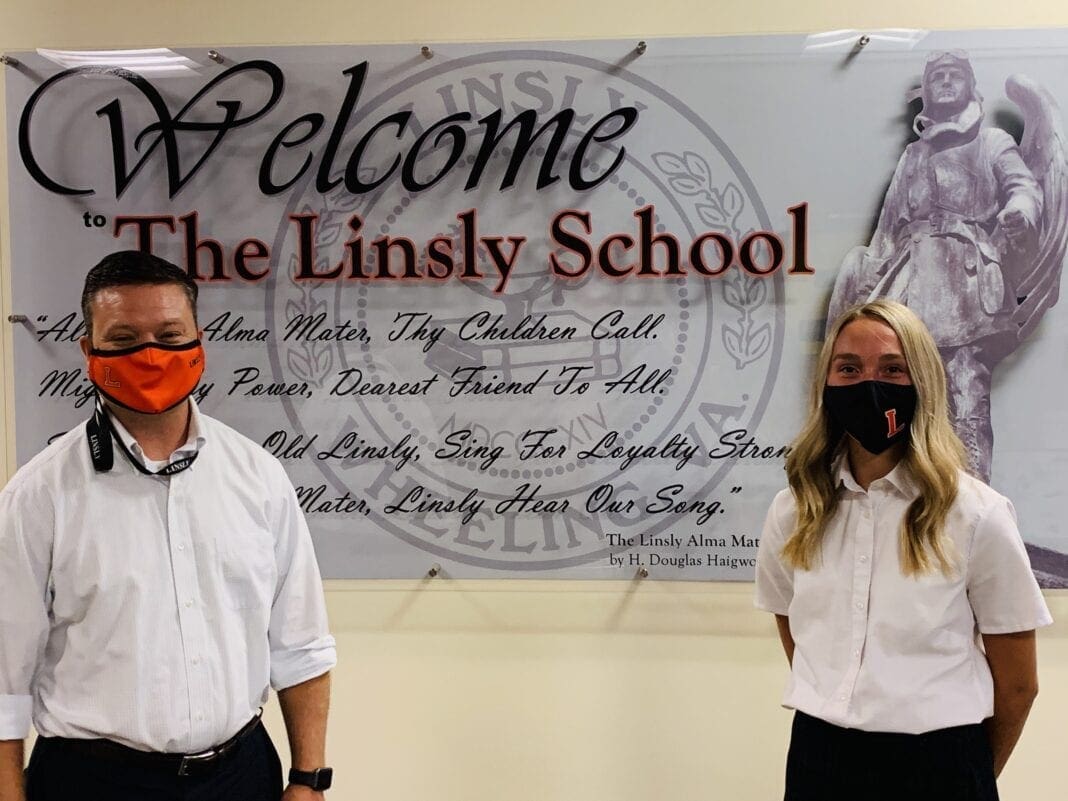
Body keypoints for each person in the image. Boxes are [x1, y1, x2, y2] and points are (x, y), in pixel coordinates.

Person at [0, 250, 337, 801]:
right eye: (123, 339)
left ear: (199, 341)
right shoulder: (38, 496)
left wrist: (309, 780)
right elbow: (3, 683)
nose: (150, 355)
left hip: (240, 774)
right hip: (92, 782)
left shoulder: (259, 476)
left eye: (169, 334)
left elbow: (301, 646)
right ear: (88, 350)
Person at [755, 299, 1051, 801]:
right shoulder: (794, 511)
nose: (869, 383)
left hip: (939, 763)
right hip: (818, 756)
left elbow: (1019, 683)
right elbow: (794, 626)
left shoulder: (976, 515)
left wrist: (969, 776)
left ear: (924, 383)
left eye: (893, 368)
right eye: (848, 368)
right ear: (825, 385)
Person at [826, 51, 1059, 483]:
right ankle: (913, 504)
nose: (947, 82)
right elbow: (889, 228)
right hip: (910, 282)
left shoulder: (990, 142)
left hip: (966, 283)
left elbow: (1023, 187)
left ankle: (974, 507)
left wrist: (1019, 212)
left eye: (955, 75)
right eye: (938, 77)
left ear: (971, 87)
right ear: (927, 93)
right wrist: (867, 280)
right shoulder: (913, 156)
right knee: (905, 403)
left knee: (966, 396)